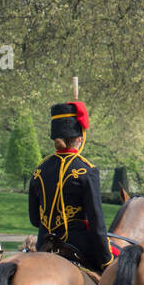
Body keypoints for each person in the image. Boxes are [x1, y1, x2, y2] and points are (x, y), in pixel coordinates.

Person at [28, 100, 114, 274]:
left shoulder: (40, 169)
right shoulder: (86, 169)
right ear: (80, 138)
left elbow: (35, 220)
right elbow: (97, 223)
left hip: (43, 246)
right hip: (77, 245)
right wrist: (107, 260)